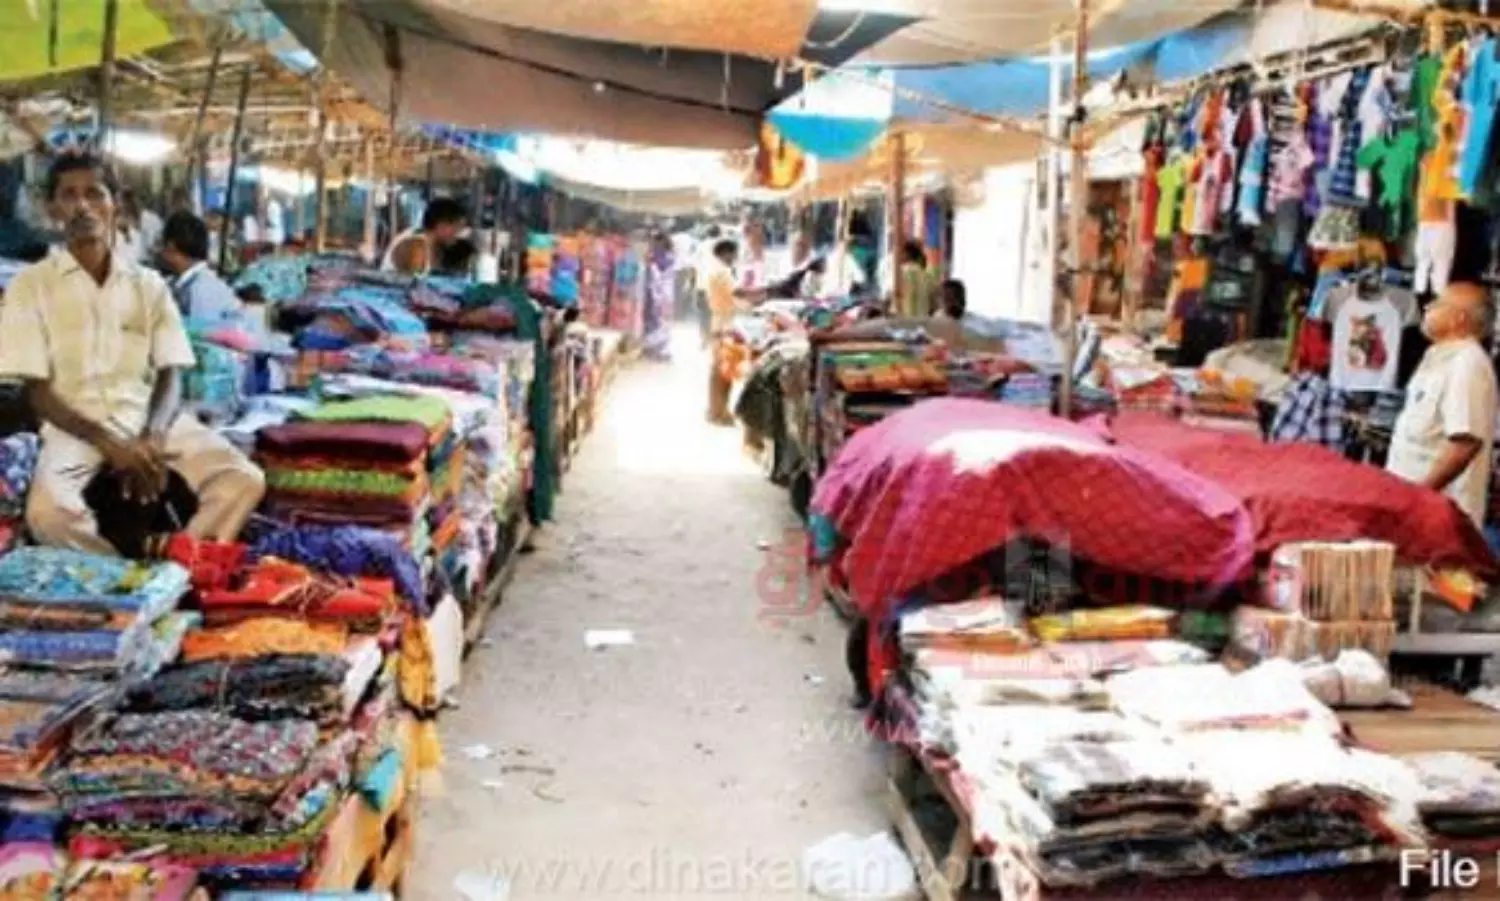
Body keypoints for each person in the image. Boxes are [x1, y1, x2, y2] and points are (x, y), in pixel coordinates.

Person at [0, 154, 264, 554]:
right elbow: (36, 391)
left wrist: (153, 435)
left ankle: (181, 563)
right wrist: (110, 444)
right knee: (48, 513)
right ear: (53, 209)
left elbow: (171, 372)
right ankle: (114, 576)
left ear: (116, 204)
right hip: (73, 426)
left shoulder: (149, 285)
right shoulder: (30, 286)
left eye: (94, 193)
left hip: (144, 416)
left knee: (242, 478)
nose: (82, 205)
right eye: (69, 195)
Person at [1387, 281, 1499, 526]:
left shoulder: (1467, 363)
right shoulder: (1440, 357)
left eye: (1437, 304)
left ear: (1458, 319)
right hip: (1413, 508)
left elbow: (1465, 443)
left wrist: (1419, 496)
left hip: (1437, 516)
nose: (1427, 308)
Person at [705, 238, 762, 425]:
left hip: (719, 322)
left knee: (718, 371)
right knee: (723, 372)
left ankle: (715, 410)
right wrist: (760, 296)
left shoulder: (714, 269)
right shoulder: (723, 272)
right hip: (726, 323)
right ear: (727, 253)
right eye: (734, 254)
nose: (735, 258)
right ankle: (719, 412)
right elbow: (737, 293)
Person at [158, 211, 243, 324]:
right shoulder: (185, 283)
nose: (159, 252)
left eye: (161, 245)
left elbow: (200, 332)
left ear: (171, 247)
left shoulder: (201, 290)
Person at [383, 197, 468, 275]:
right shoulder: (415, 245)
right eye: (457, 227)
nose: (460, 233)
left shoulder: (435, 246)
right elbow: (415, 281)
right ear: (441, 225)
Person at [643, 233, 675, 361]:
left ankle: (657, 349)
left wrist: (650, 261)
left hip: (659, 294)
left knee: (658, 321)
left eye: (655, 242)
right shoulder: (667, 256)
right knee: (658, 321)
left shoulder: (660, 257)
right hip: (662, 294)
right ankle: (657, 349)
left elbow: (656, 274)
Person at [694, 224, 722, 348]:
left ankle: (704, 339)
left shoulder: (700, 246)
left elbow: (694, 265)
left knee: (703, 314)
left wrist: (692, 282)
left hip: (702, 285)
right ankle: (716, 340)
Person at [895, 239, 937, 318]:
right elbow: (934, 307)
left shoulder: (897, 275)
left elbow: (889, 301)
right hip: (922, 322)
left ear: (906, 254)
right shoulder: (929, 278)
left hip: (901, 322)